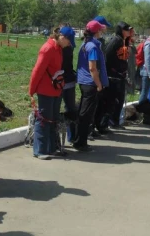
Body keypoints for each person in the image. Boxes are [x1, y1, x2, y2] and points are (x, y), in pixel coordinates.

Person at [29, 28, 70, 160]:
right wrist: (31, 91)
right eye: (69, 41)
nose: (70, 44)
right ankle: (39, 150)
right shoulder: (47, 49)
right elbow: (38, 70)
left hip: (56, 90)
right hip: (45, 90)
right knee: (43, 120)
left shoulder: (58, 48)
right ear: (62, 37)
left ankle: (52, 147)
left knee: (53, 120)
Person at [74, 20, 109, 151]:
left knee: (83, 112)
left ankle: (78, 139)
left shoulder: (85, 44)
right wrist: (99, 84)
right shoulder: (93, 47)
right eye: (100, 30)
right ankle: (80, 142)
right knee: (86, 114)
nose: (102, 32)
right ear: (97, 32)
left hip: (83, 81)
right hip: (91, 83)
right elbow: (92, 68)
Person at [103, 21, 134, 130]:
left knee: (119, 99)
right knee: (113, 100)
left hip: (120, 75)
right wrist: (112, 70)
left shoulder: (123, 41)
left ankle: (115, 121)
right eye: (126, 29)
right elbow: (107, 55)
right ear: (121, 30)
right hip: (113, 75)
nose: (129, 32)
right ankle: (109, 122)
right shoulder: (116, 40)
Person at [59, 25, 77, 144]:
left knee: (70, 111)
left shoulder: (66, 48)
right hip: (62, 82)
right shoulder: (59, 49)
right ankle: (69, 138)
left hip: (66, 82)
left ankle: (71, 137)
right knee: (69, 110)